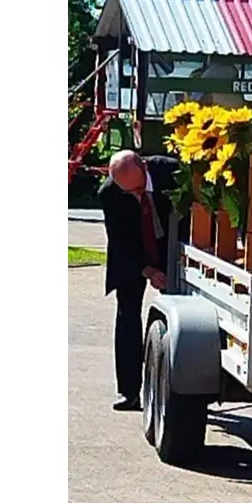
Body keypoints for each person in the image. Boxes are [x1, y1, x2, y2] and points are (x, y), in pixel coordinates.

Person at [99, 149, 180, 411]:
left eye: (137, 189)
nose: (134, 195)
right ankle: (129, 391)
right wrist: (146, 269)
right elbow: (120, 240)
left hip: (172, 247)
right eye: (128, 192)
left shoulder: (172, 172)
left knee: (180, 316)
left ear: (143, 167)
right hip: (133, 254)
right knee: (127, 315)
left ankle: (179, 389)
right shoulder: (109, 192)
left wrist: (169, 266)